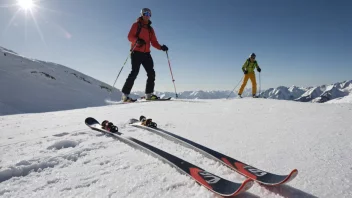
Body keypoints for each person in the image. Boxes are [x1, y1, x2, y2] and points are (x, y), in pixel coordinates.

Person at [121, 8, 169, 102]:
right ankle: (125, 96)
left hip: (146, 54)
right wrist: (137, 41)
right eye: (145, 13)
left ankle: (148, 94)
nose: (147, 15)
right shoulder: (136, 25)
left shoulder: (150, 29)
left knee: (151, 73)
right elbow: (130, 36)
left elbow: (154, 42)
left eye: (149, 14)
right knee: (134, 72)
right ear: (142, 14)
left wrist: (161, 47)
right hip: (136, 52)